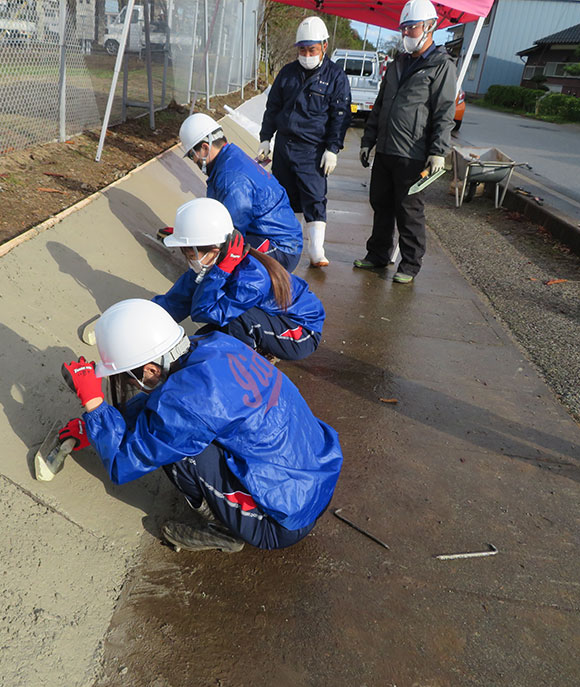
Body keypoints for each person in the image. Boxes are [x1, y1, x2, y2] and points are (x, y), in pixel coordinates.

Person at [58, 298, 343, 552]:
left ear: (150, 369)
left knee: (182, 454)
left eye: (129, 378)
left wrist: (95, 406)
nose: (132, 385)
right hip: (315, 484)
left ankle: (224, 529)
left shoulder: (190, 401)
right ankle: (232, 509)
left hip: (281, 522)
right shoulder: (215, 345)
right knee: (175, 428)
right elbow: (160, 403)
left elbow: (123, 463)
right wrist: (103, 425)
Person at [355, 0, 457, 284]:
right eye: (404, 28)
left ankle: (409, 265)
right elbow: (380, 105)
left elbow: (444, 112)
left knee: (409, 210)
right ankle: (378, 255)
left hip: (413, 153)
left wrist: (438, 152)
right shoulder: (398, 62)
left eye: (412, 27)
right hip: (387, 148)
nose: (407, 33)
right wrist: (368, 139)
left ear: (430, 27)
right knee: (381, 204)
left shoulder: (441, 65)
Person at [155, 198, 325, 362]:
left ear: (214, 249)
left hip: (300, 331)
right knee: (199, 342)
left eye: (191, 255)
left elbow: (205, 312)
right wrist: (145, 321)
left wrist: (219, 274)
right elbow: (174, 302)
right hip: (266, 318)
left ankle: (247, 369)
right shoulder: (212, 263)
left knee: (236, 322)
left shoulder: (251, 279)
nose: (188, 260)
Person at [257, 16, 351, 268]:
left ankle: (316, 248)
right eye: (302, 49)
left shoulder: (335, 76)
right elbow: (273, 107)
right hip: (285, 146)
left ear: (324, 46)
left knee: (314, 197)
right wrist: (266, 138)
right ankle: (290, 243)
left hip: (313, 150)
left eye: (312, 49)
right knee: (285, 197)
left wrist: (332, 149)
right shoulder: (287, 73)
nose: (307, 54)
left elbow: (340, 115)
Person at [177, 113, 303, 272]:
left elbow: (231, 230)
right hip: (277, 239)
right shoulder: (230, 158)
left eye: (191, 155)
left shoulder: (232, 178)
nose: (193, 160)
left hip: (280, 249)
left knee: (223, 263)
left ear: (204, 148)